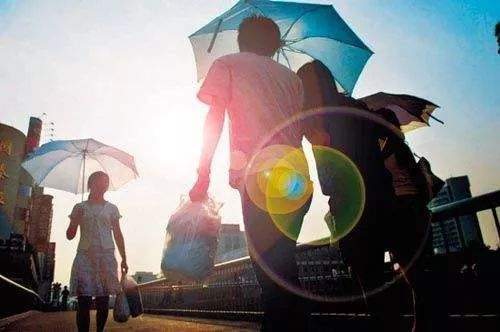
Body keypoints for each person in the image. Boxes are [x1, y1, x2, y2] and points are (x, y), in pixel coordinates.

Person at [189, 15, 312, 331]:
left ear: (241, 41)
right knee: (284, 263)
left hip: (260, 174)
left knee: (269, 267)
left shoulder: (228, 63)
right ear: (275, 45)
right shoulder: (293, 79)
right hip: (297, 174)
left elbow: (214, 120)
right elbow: (298, 131)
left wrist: (203, 175)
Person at [297, 60, 399, 332]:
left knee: (370, 281)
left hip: (349, 206)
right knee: (389, 275)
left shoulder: (313, 122)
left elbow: (328, 180)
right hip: (383, 194)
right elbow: (389, 135)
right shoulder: (356, 107)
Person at [67, 171, 128, 332]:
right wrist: (76, 220)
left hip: (106, 256)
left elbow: (118, 234)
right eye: (100, 182)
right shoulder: (79, 207)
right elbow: (70, 235)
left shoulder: (112, 208)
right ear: (91, 184)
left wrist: (124, 258)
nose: (103, 185)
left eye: (106, 183)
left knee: (103, 299)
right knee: (84, 300)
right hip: (85, 256)